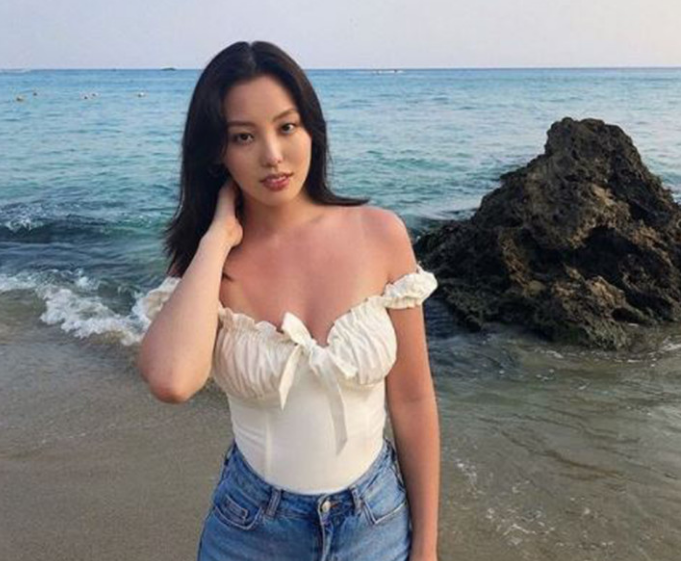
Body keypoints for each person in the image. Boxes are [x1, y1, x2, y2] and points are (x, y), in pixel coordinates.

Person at [137, 40, 440, 561]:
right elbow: (171, 381)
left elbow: (413, 400)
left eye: (286, 127)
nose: (272, 155)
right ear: (217, 151)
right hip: (251, 531)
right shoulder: (208, 265)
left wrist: (427, 546)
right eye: (244, 136)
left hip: (377, 523)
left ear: (311, 130)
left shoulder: (380, 235)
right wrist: (216, 239)